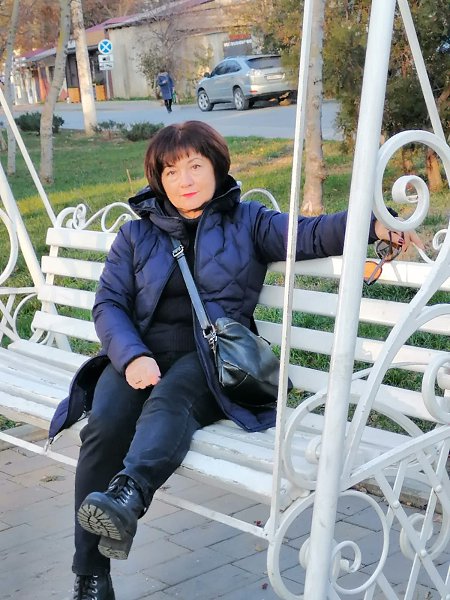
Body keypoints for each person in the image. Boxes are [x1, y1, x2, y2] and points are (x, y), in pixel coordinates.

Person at [59, 121, 422, 599]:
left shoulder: (248, 221)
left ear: (216, 166)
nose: (185, 181)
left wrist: (375, 223)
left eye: (195, 166)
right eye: (172, 172)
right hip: (140, 355)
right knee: (103, 427)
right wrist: (131, 358)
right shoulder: (135, 235)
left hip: (212, 359)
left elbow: (311, 234)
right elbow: (108, 304)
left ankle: (128, 496)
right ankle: (91, 576)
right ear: (158, 180)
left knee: (171, 400)